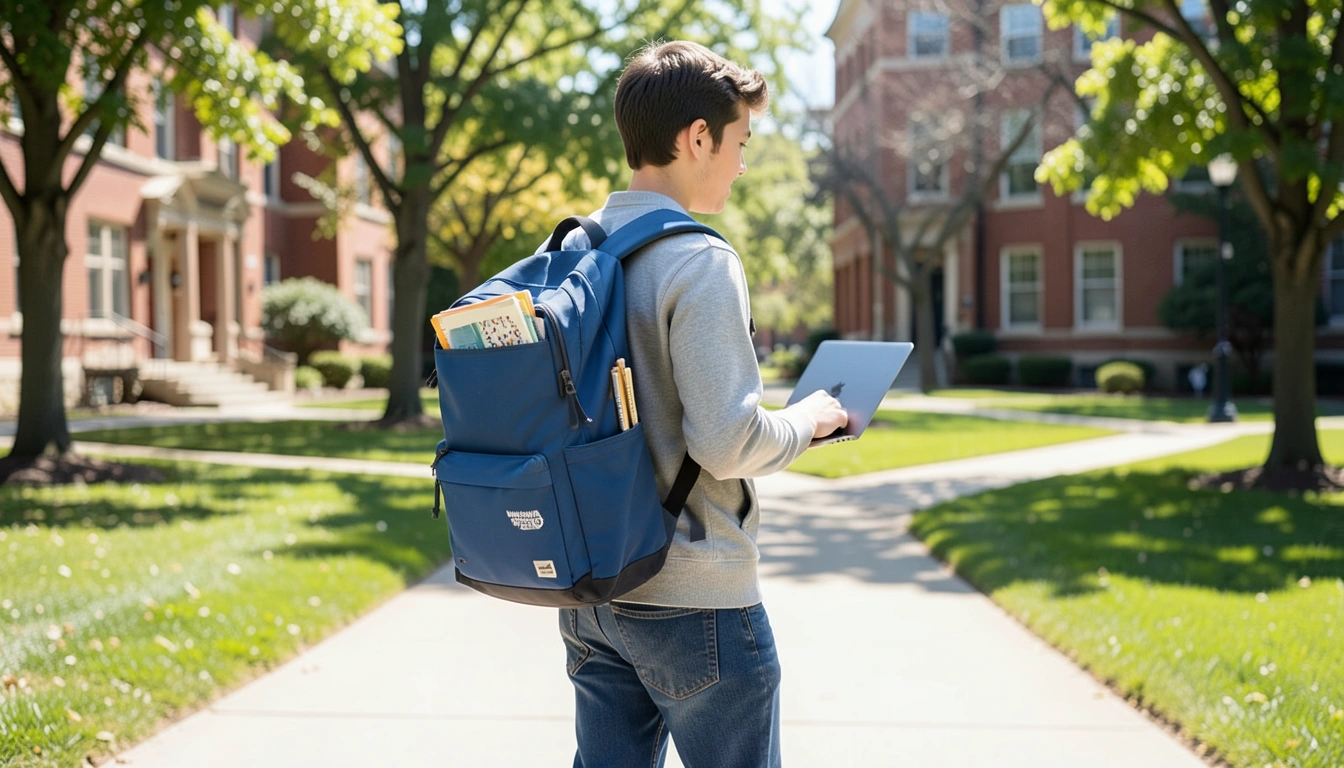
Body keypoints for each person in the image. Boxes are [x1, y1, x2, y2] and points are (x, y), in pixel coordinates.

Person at [549, 40, 848, 768]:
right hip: (696, 599)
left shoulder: (571, 249)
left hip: (594, 593)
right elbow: (725, 441)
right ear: (698, 137)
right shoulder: (700, 260)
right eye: (740, 142)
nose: (742, 164)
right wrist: (808, 421)